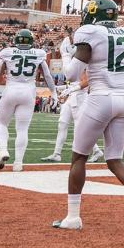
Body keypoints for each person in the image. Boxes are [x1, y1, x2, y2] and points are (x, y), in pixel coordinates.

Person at [52, 0, 124, 232]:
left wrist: (66, 53)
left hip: (100, 97)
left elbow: (71, 74)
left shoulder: (89, 32)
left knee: (79, 158)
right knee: (115, 159)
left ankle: (73, 217)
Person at [0, 29, 57, 171]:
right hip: (28, 92)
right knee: (22, 129)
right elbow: (47, 76)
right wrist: (53, 92)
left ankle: (3, 150)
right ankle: (18, 163)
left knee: (1, 123)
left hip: (11, 89)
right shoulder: (39, 53)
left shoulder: (8, 52)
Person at [41, 32, 104, 163]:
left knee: (80, 127)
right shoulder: (74, 62)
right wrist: (61, 88)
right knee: (62, 123)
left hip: (80, 97)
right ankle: (57, 153)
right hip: (73, 97)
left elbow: (86, 81)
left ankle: (97, 150)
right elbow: (72, 82)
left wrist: (72, 89)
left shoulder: (83, 62)